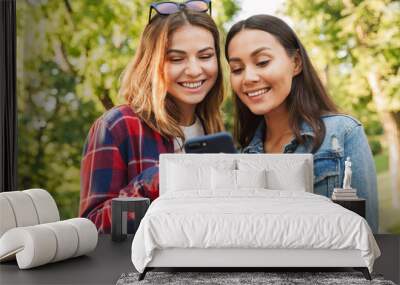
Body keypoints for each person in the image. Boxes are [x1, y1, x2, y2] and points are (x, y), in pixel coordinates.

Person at [80, 1, 225, 233]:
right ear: (152, 63)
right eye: (177, 59)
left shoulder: (215, 130)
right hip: (140, 267)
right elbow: (91, 227)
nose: (195, 70)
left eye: (205, 56)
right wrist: (159, 180)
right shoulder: (117, 126)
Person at [225, 14, 378, 232]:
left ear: (296, 63)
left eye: (262, 62)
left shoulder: (342, 134)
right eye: (237, 69)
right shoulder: (241, 156)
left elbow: (367, 238)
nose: (248, 77)